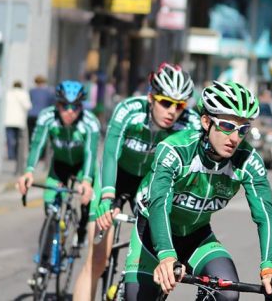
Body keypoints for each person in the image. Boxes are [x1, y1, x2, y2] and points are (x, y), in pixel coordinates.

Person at [122, 81, 272, 301]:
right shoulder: (175, 150)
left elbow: (266, 214)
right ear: (206, 121)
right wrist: (166, 255)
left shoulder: (247, 160)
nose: (235, 138)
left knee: (227, 295)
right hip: (152, 235)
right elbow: (159, 203)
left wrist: (270, 269)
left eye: (243, 129)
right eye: (227, 126)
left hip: (196, 234)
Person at [73, 62, 200, 301]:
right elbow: (110, 153)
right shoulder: (129, 110)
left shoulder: (190, 123)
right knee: (97, 259)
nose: (172, 111)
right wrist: (107, 197)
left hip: (151, 185)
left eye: (179, 105)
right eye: (165, 102)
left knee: (156, 257)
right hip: (118, 179)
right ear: (151, 98)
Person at [17, 80, 100, 251]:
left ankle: (81, 231)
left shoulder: (90, 122)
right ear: (57, 104)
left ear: (81, 107)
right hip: (59, 166)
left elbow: (91, 153)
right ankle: (45, 263)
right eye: (64, 106)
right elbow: (37, 144)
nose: (70, 112)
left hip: (83, 166)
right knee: (50, 210)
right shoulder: (47, 117)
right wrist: (29, 171)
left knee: (87, 201)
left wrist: (86, 181)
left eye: (75, 107)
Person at [5, 80, 32, 167]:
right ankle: (17, 155)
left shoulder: (8, 93)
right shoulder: (23, 94)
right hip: (19, 120)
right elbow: (28, 106)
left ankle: (10, 155)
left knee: (10, 138)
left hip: (8, 119)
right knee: (19, 139)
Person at [27, 75, 55, 142]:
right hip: (43, 116)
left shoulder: (31, 91)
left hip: (31, 115)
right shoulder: (49, 92)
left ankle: (31, 151)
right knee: (42, 137)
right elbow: (52, 104)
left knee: (31, 137)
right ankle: (41, 152)